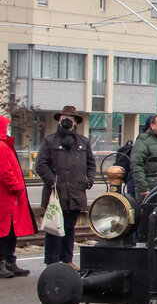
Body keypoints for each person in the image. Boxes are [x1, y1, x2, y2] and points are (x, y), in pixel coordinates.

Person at [35, 105, 96, 265]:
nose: (67, 120)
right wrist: (53, 181)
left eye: (70, 118)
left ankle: (67, 260)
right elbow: (41, 165)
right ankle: (52, 262)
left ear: (76, 121)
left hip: (76, 193)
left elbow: (91, 164)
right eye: (64, 118)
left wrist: (88, 180)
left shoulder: (83, 141)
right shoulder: (49, 140)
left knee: (69, 229)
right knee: (53, 228)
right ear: (59, 120)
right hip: (56, 194)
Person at [0, 115, 35, 278]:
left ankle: (9, 261)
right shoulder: (1, 146)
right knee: (4, 231)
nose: (8, 130)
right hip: (7, 198)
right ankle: (3, 262)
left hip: (10, 198)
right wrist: (17, 188)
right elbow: (5, 172)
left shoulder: (4, 145)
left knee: (11, 231)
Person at [131, 114, 157, 202]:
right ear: (152, 125)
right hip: (151, 190)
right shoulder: (143, 142)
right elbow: (137, 166)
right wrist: (143, 188)